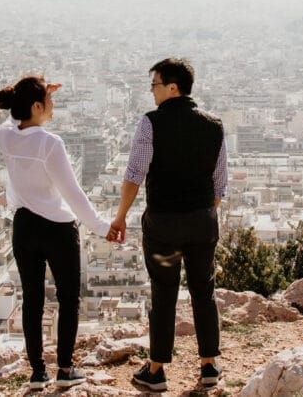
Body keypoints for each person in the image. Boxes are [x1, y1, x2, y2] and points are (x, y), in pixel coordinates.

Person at [109, 58, 227, 391]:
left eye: (155, 85)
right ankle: (209, 366)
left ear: (172, 87)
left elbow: (134, 174)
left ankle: (157, 370)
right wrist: (201, 212)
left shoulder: (151, 124)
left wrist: (120, 217)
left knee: (164, 293)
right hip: (203, 221)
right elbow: (220, 183)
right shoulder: (214, 125)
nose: (152, 92)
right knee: (204, 291)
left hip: (163, 224)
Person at [0, 75, 117, 389]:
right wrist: (102, 228)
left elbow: (12, 120)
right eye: (49, 101)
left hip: (23, 227)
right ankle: (65, 368)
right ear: (37, 106)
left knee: (32, 299)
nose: (53, 105)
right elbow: (74, 194)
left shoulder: (5, 137)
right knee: (68, 299)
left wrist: (33, 93)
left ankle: (37, 372)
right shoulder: (50, 144)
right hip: (57, 229)